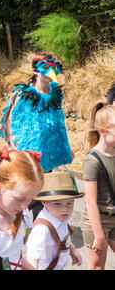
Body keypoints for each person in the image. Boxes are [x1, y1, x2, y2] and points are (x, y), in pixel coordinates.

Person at [0, 52, 74, 219]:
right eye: (45, 67)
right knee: (28, 191)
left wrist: (66, 148)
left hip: (48, 152)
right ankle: (6, 219)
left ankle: (38, 227)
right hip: (29, 154)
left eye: (54, 67)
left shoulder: (55, 93)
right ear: (35, 71)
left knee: (43, 191)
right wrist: (13, 143)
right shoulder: (24, 93)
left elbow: (59, 122)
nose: (50, 71)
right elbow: (9, 120)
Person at [25, 170, 83, 270]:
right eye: (57, 204)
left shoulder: (60, 217)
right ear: (44, 202)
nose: (64, 210)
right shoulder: (42, 230)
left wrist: (72, 250)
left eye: (69, 203)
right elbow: (32, 260)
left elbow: (63, 236)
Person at [81, 103, 115, 270]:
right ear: (102, 131)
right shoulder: (92, 160)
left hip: (114, 216)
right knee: (97, 267)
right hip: (97, 221)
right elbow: (90, 202)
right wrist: (99, 235)